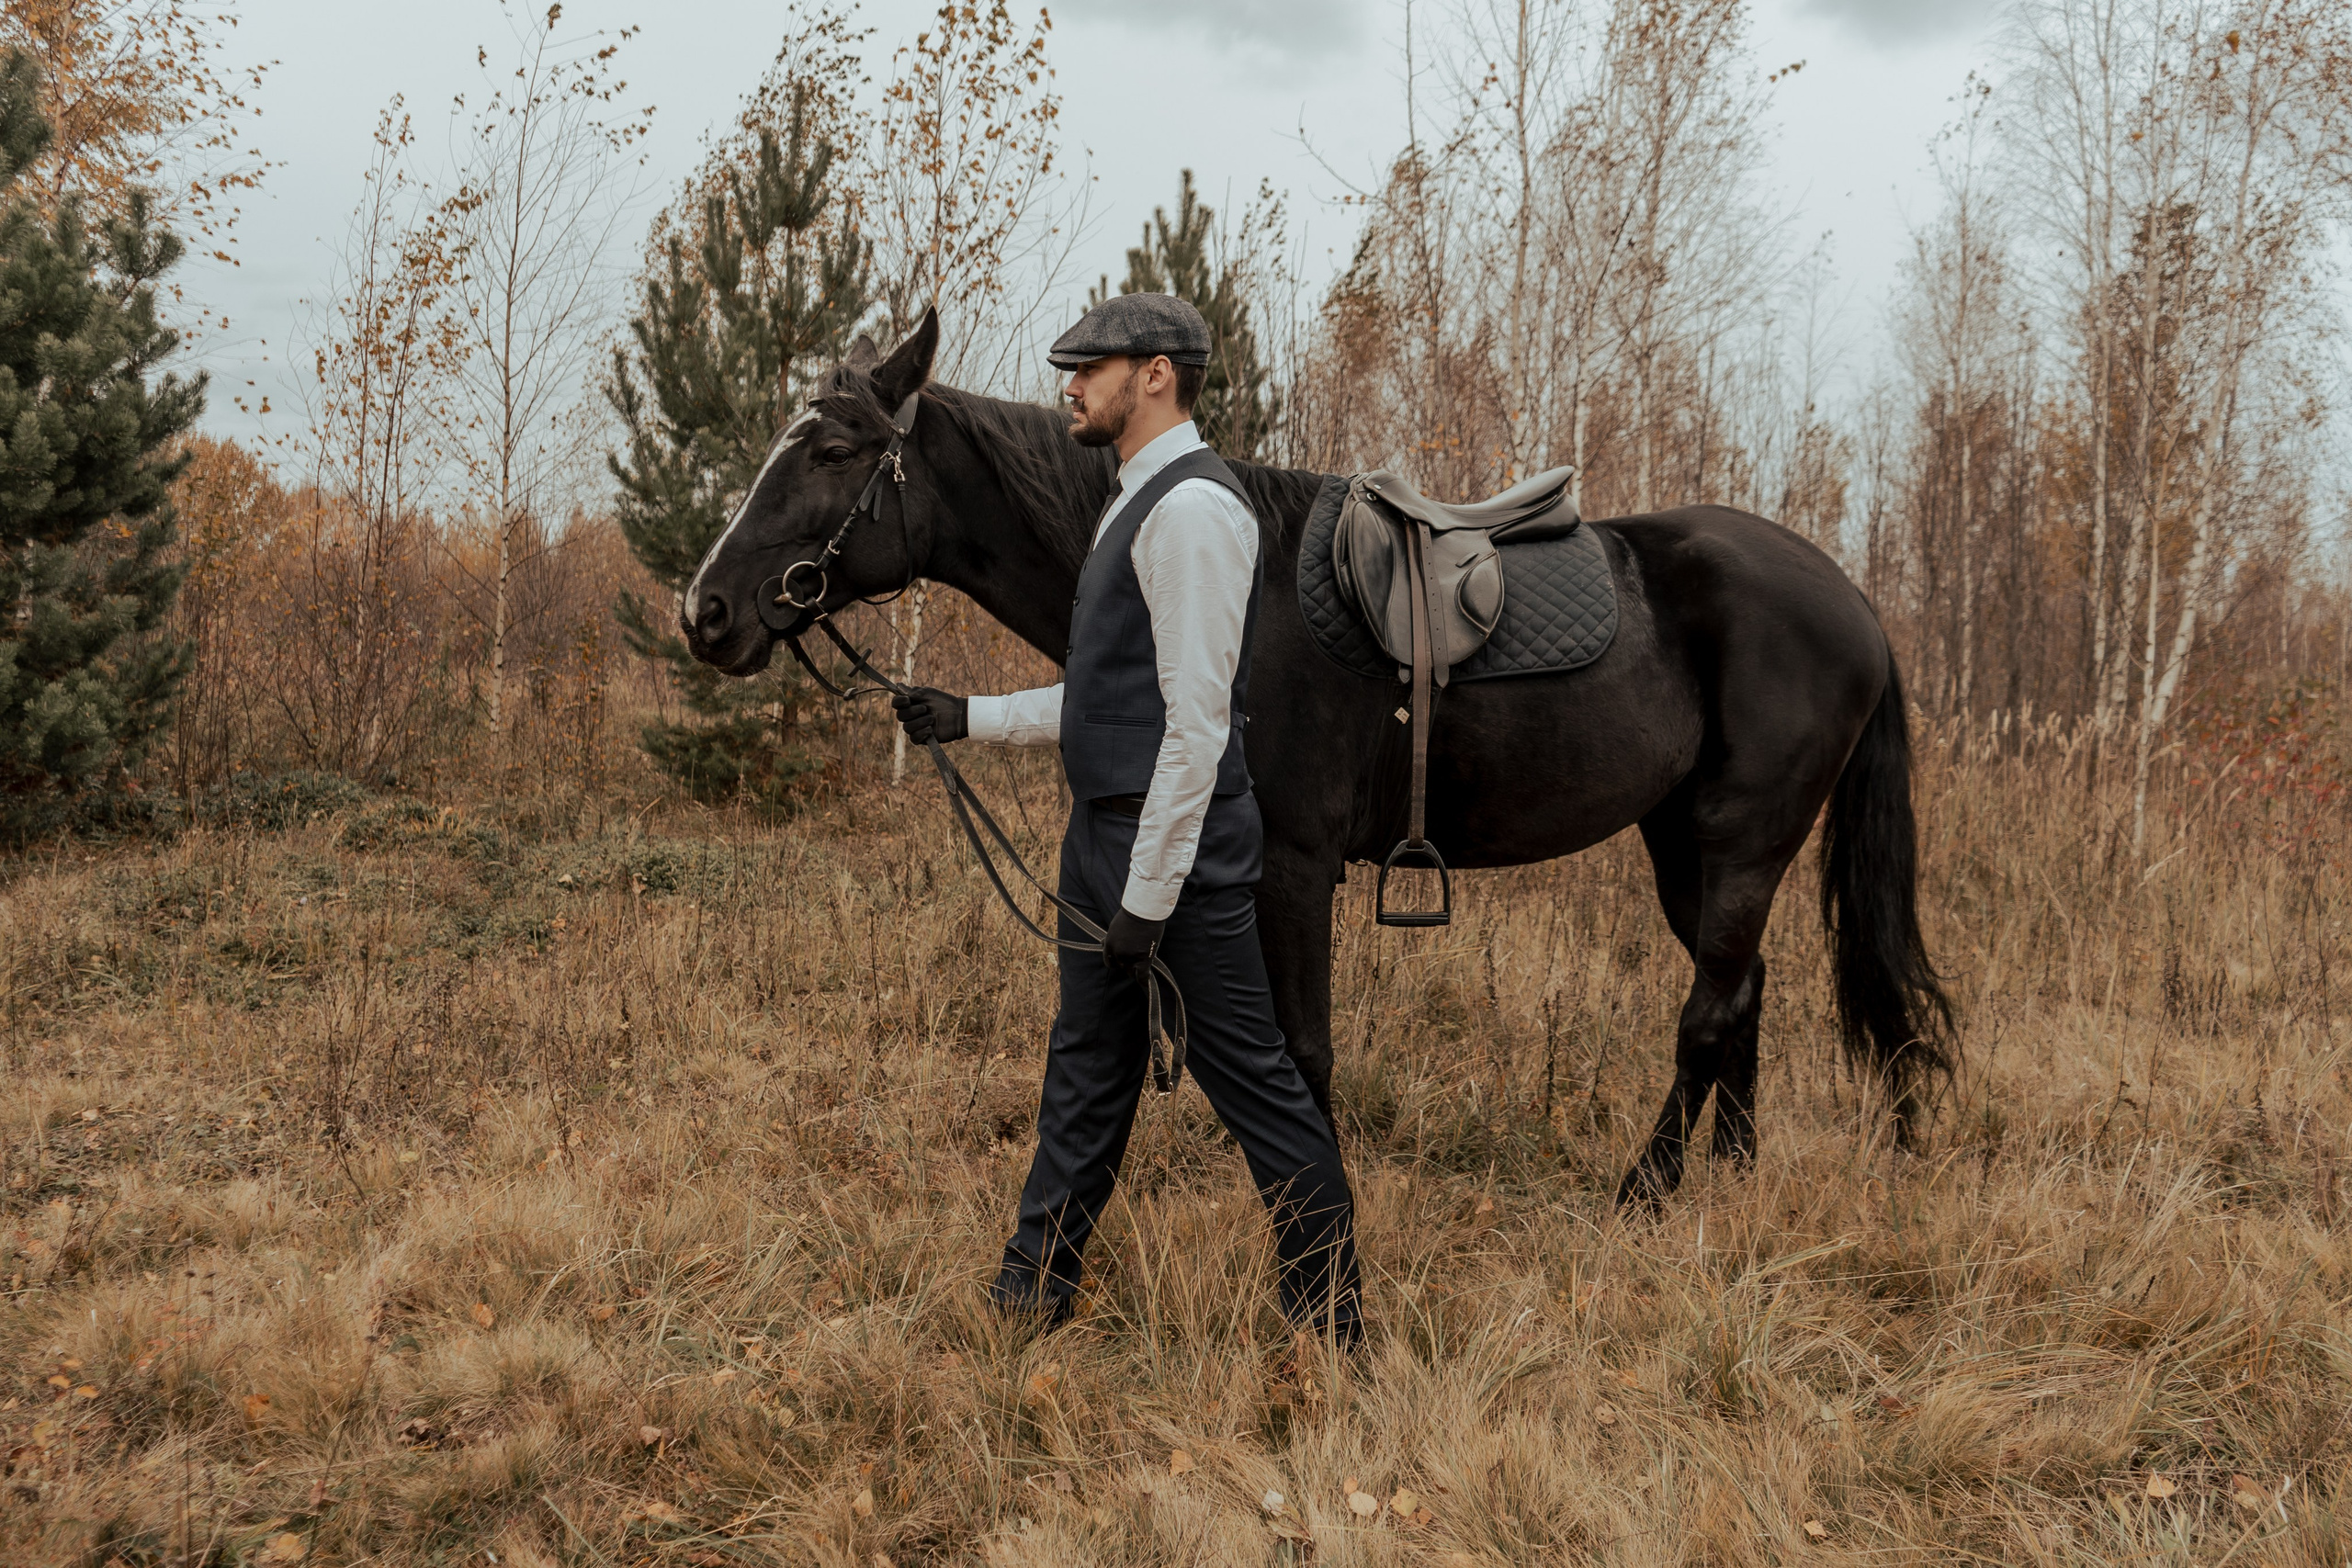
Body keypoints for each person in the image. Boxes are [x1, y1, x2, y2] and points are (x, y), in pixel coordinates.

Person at [891, 293, 1362, 1343]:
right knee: (1085, 1075)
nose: (1070, 385)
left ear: (1154, 374)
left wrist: (1148, 899)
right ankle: (1030, 1295)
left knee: (1256, 1089)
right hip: (1106, 839)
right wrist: (970, 717)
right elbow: (1119, 697)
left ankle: (1331, 1322)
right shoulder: (1135, 499)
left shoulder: (1192, 513)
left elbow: (1197, 727)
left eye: (1089, 368)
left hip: (1174, 857)